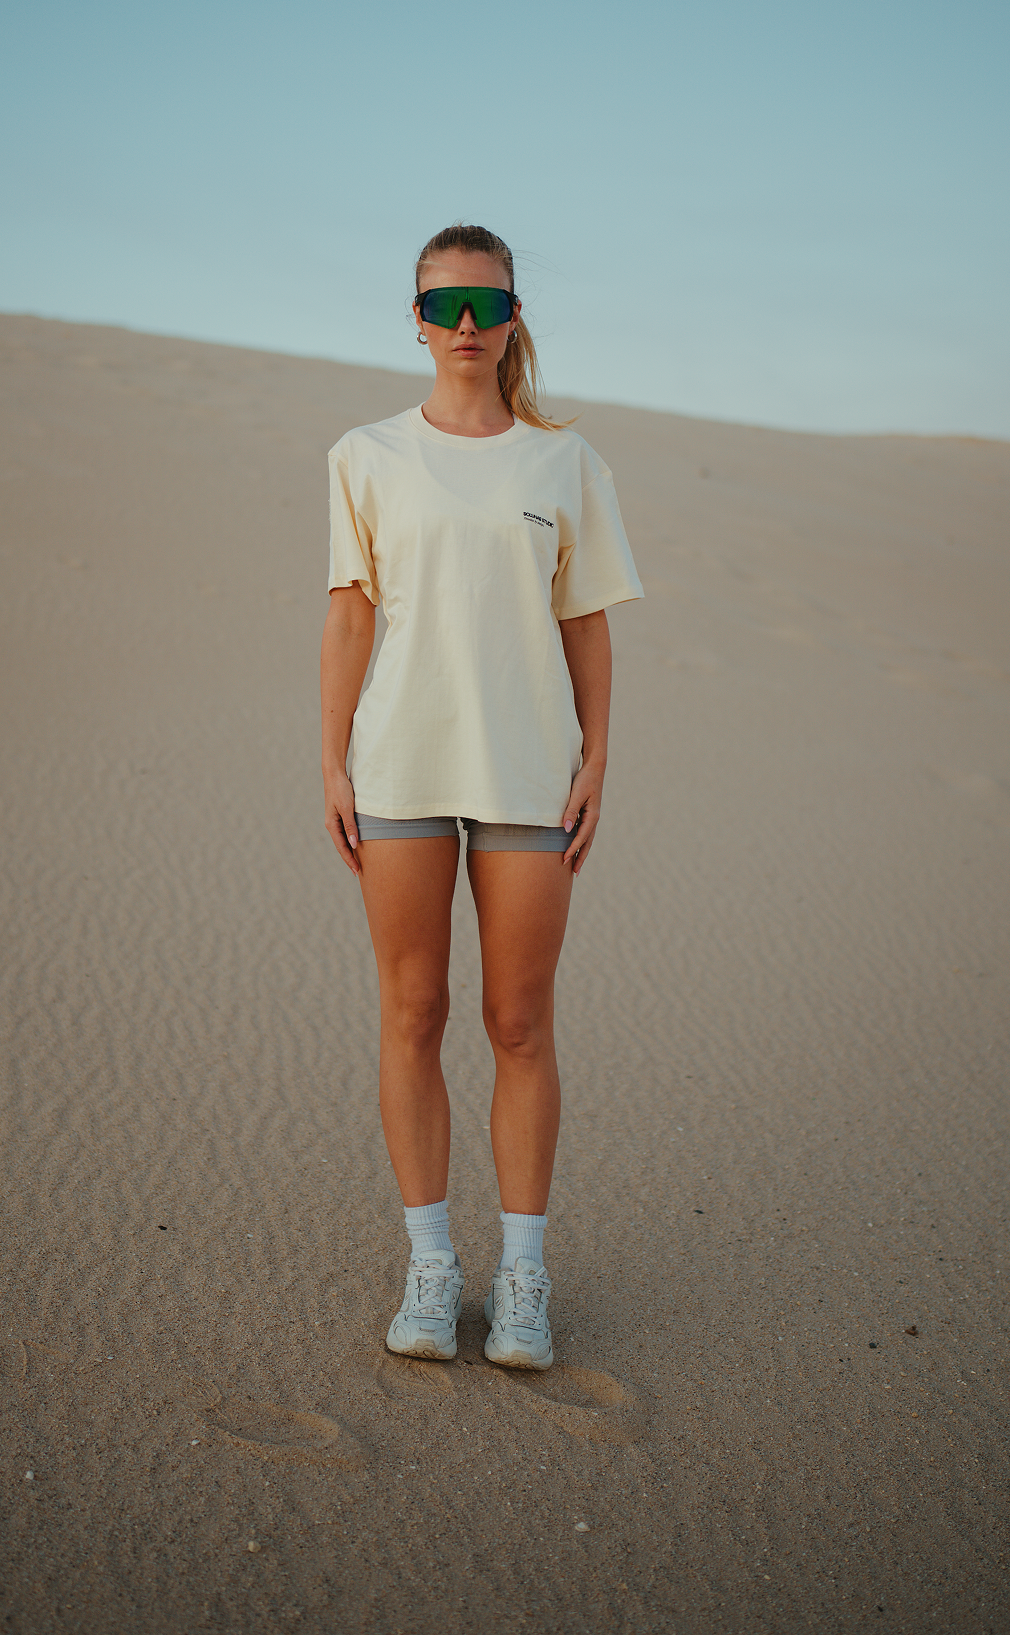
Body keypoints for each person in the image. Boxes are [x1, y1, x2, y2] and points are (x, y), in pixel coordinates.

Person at [320, 223, 643, 1369]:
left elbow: (586, 622)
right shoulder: (365, 454)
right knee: (413, 1012)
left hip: (527, 771)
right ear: (415, 317)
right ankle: (430, 1266)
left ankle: (523, 1276)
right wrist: (332, 759)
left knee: (519, 1021)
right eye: (442, 306)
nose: (465, 327)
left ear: (513, 315)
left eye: (484, 306)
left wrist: (598, 759)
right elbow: (352, 611)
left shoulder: (567, 463)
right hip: (401, 760)